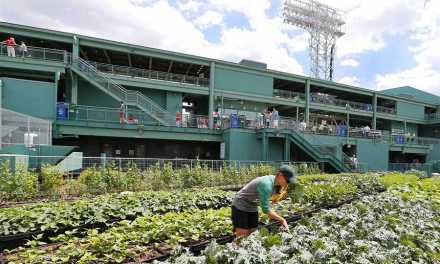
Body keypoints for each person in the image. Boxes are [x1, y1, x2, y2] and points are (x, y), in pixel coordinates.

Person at [231, 165, 296, 238]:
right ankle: (235, 248)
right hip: (240, 205)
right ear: (280, 175)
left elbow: (277, 194)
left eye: (289, 181)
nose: (288, 183)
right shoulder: (266, 184)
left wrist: (275, 198)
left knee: (253, 233)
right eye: (287, 180)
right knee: (242, 236)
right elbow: (265, 210)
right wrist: (282, 220)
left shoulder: (277, 182)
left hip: (252, 205)